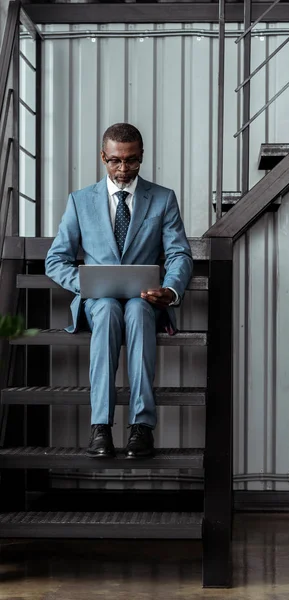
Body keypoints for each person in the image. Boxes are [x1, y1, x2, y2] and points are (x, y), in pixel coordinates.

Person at [45, 123, 193, 459]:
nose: (123, 169)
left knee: (139, 312)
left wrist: (169, 290)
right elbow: (56, 260)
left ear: (141, 157)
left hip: (144, 300)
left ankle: (141, 427)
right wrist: (85, 284)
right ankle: (101, 427)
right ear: (103, 157)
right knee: (109, 308)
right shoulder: (80, 201)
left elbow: (179, 253)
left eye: (131, 161)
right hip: (99, 301)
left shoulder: (162, 198)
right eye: (115, 161)